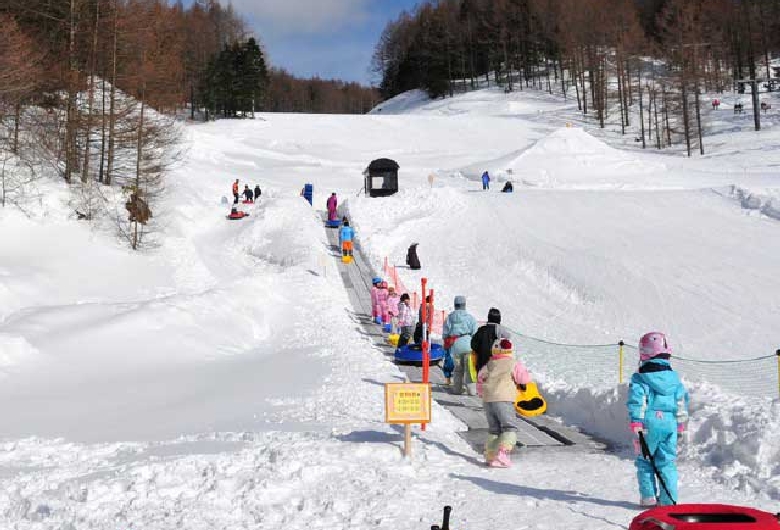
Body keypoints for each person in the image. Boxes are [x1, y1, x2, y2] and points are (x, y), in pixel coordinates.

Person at [627, 332, 689, 507]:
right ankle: (668, 501)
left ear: (643, 354)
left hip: (648, 424)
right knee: (666, 462)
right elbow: (681, 403)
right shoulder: (675, 380)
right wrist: (680, 425)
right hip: (670, 423)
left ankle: (648, 498)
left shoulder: (640, 379)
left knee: (645, 461)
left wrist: (636, 421)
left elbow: (637, 401)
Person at [477, 338, 531, 467]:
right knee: (509, 427)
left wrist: (481, 393)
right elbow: (523, 378)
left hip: (488, 399)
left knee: (494, 429)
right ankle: (503, 451)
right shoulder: (513, 363)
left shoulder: (489, 364)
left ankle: (491, 456)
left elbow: (480, 379)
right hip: (504, 399)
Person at [443, 295, 478, 392]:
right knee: (469, 369)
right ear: (464, 305)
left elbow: (445, 333)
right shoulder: (470, 318)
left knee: (458, 369)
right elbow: (475, 333)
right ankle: (471, 390)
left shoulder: (449, 318)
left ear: (455, 305)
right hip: (468, 345)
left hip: (456, 345)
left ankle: (457, 389)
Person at [471, 308, 507, 373]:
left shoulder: (481, 330)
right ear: (499, 319)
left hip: (482, 365)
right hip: (497, 367)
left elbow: (473, 345)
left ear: (488, 318)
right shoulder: (502, 331)